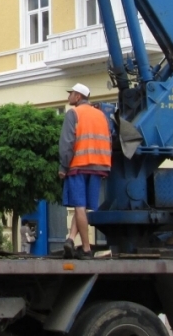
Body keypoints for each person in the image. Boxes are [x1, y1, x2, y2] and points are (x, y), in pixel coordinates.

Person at [58, 83, 111, 259]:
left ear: (78, 96)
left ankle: (87, 249)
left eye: (71, 93)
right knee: (83, 208)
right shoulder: (101, 115)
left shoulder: (73, 113)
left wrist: (63, 167)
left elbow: (67, 143)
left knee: (79, 207)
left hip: (78, 165)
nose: (69, 97)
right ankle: (71, 239)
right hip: (98, 166)